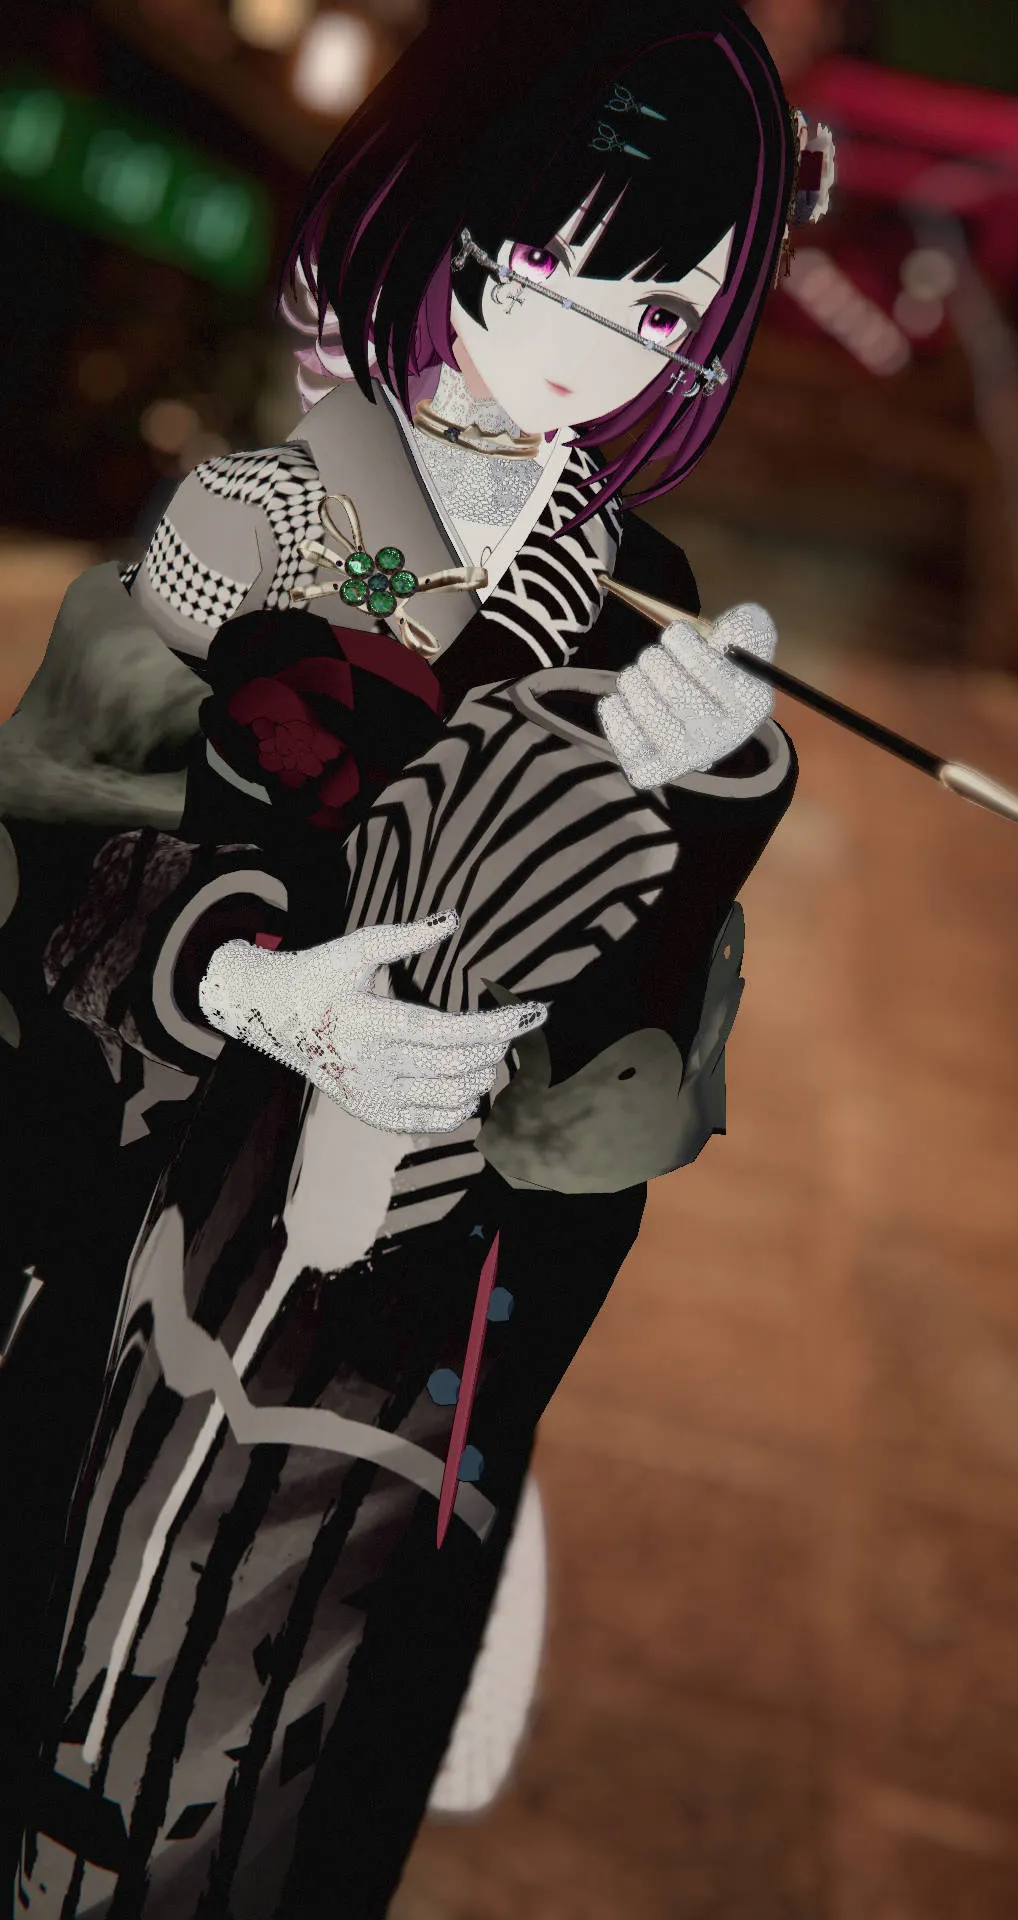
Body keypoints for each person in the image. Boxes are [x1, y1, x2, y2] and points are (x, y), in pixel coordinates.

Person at [15, 2, 805, 1912]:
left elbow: (622, 1084)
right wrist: (249, 984)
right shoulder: (259, 517)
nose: (595, 347)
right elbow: (47, 859)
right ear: (434, 219)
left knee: (287, 1795)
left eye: (661, 305)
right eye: (550, 270)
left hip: (411, 1344)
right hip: (153, 1238)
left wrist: (690, 809)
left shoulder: (644, 605)